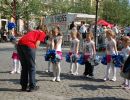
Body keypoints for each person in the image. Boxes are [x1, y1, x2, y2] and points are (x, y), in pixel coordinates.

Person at [17, 25, 46, 92]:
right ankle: (32, 86)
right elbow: (37, 44)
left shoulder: (32, 31)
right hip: (29, 46)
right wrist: (33, 55)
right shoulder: (42, 33)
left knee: (24, 67)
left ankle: (23, 86)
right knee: (32, 67)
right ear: (44, 29)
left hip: (20, 45)